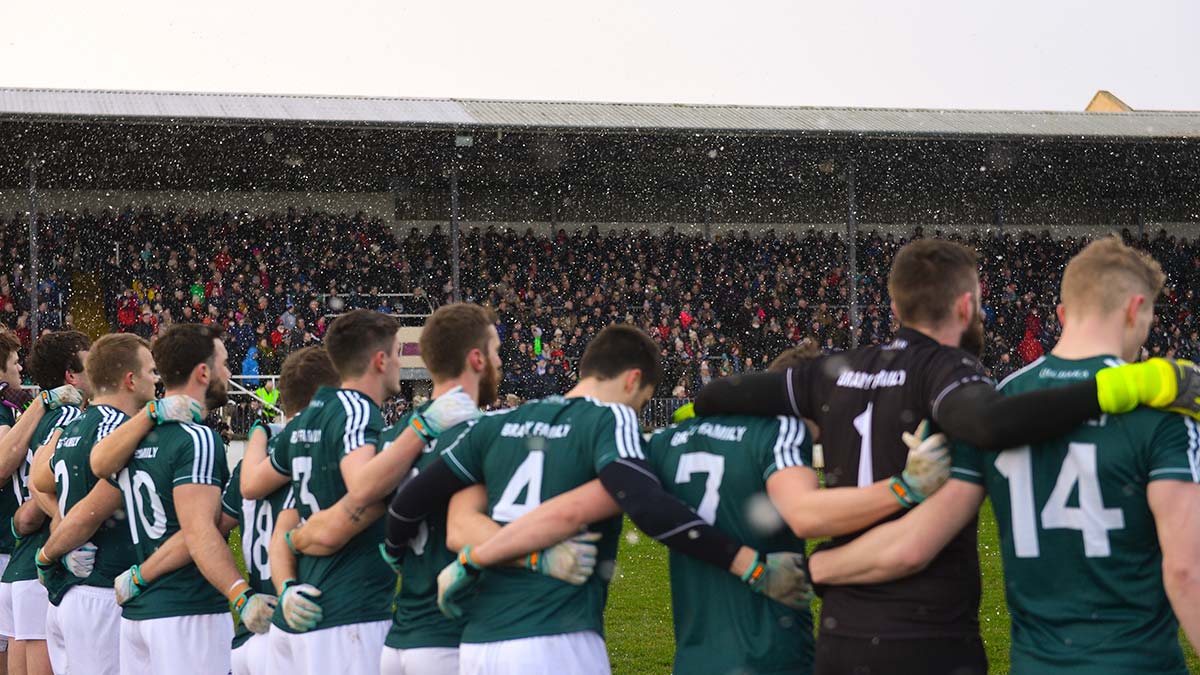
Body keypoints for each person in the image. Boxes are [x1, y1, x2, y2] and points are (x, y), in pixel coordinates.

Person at [692, 239, 1200, 675]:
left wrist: (692, 411)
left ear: (896, 305)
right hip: (934, 633)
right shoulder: (955, 374)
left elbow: (719, 395)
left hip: (849, 631)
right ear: (963, 306)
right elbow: (992, 424)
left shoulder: (831, 372)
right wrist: (1126, 385)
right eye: (978, 303)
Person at [386, 324, 810, 675]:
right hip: (557, 636)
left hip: (480, 644)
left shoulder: (499, 422)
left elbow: (410, 501)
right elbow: (645, 503)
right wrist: (747, 564)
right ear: (632, 381)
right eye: (642, 400)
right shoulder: (612, 418)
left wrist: (393, 552)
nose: (638, 408)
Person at [279, 302, 580, 675]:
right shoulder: (481, 435)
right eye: (496, 352)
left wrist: (294, 540)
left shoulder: (392, 445)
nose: (500, 363)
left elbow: (332, 528)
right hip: (454, 638)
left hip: (402, 640)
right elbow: (465, 529)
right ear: (477, 359)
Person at [86, 324, 275, 675]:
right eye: (224, 364)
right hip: (187, 610)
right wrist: (240, 594)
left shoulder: (138, 434)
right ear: (203, 372)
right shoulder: (197, 437)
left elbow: (99, 462)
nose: (229, 373)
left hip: (138, 615)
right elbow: (200, 531)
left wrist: (142, 576)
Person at [240, 309, 404, 675]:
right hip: (346, 615)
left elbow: (283, 528)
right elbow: (365, 488)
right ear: (380, 361)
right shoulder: (356, 410)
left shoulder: (307, 419)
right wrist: (414, 442)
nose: (398, 364)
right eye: (396, 354)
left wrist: (285, 588)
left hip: (297, 613)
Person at [29, 334, 157, 675]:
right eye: (151, 370)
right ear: (130, 379)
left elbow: (40, 481)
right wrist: (50, 552)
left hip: (71, 593)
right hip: (103, 591)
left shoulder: (77, 424)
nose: (157, 379)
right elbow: (90, 512)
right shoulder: (118, 431)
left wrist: (60, 530)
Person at [221, 347, 340, 675]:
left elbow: (214, 529)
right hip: (298, 629)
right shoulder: (318, 451)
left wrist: (239, 593)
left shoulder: (251, 462)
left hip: (251, 629)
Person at [0, 330, 90, 675]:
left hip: (23, 563)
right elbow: (50, 486)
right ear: (71, 373)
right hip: (47, 561)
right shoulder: (69, 419)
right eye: (90, 359)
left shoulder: (36, 418)